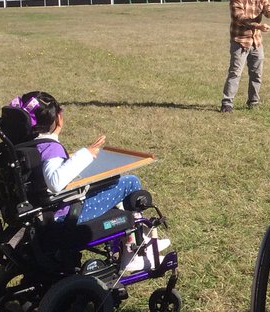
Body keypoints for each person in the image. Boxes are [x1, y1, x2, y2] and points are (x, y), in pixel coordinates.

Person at [12, 91, 168, 266]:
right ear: (58, 118)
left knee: (112, 181)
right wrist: (86, 154)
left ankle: (141, 239)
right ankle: (132, 252)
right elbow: (55, 182)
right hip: (65, 215)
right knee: (129, 182)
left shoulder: (25, 147)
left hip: (45, 210)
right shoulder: (49, 148)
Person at [221, 0, 270, 113]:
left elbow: (269, 13)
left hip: (256, 42)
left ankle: (253, 101)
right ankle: (227, 102)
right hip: (240, 41)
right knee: (235, 72)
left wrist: (269, 9)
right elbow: (239, 18)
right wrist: (258, 26)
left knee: (257, 74)